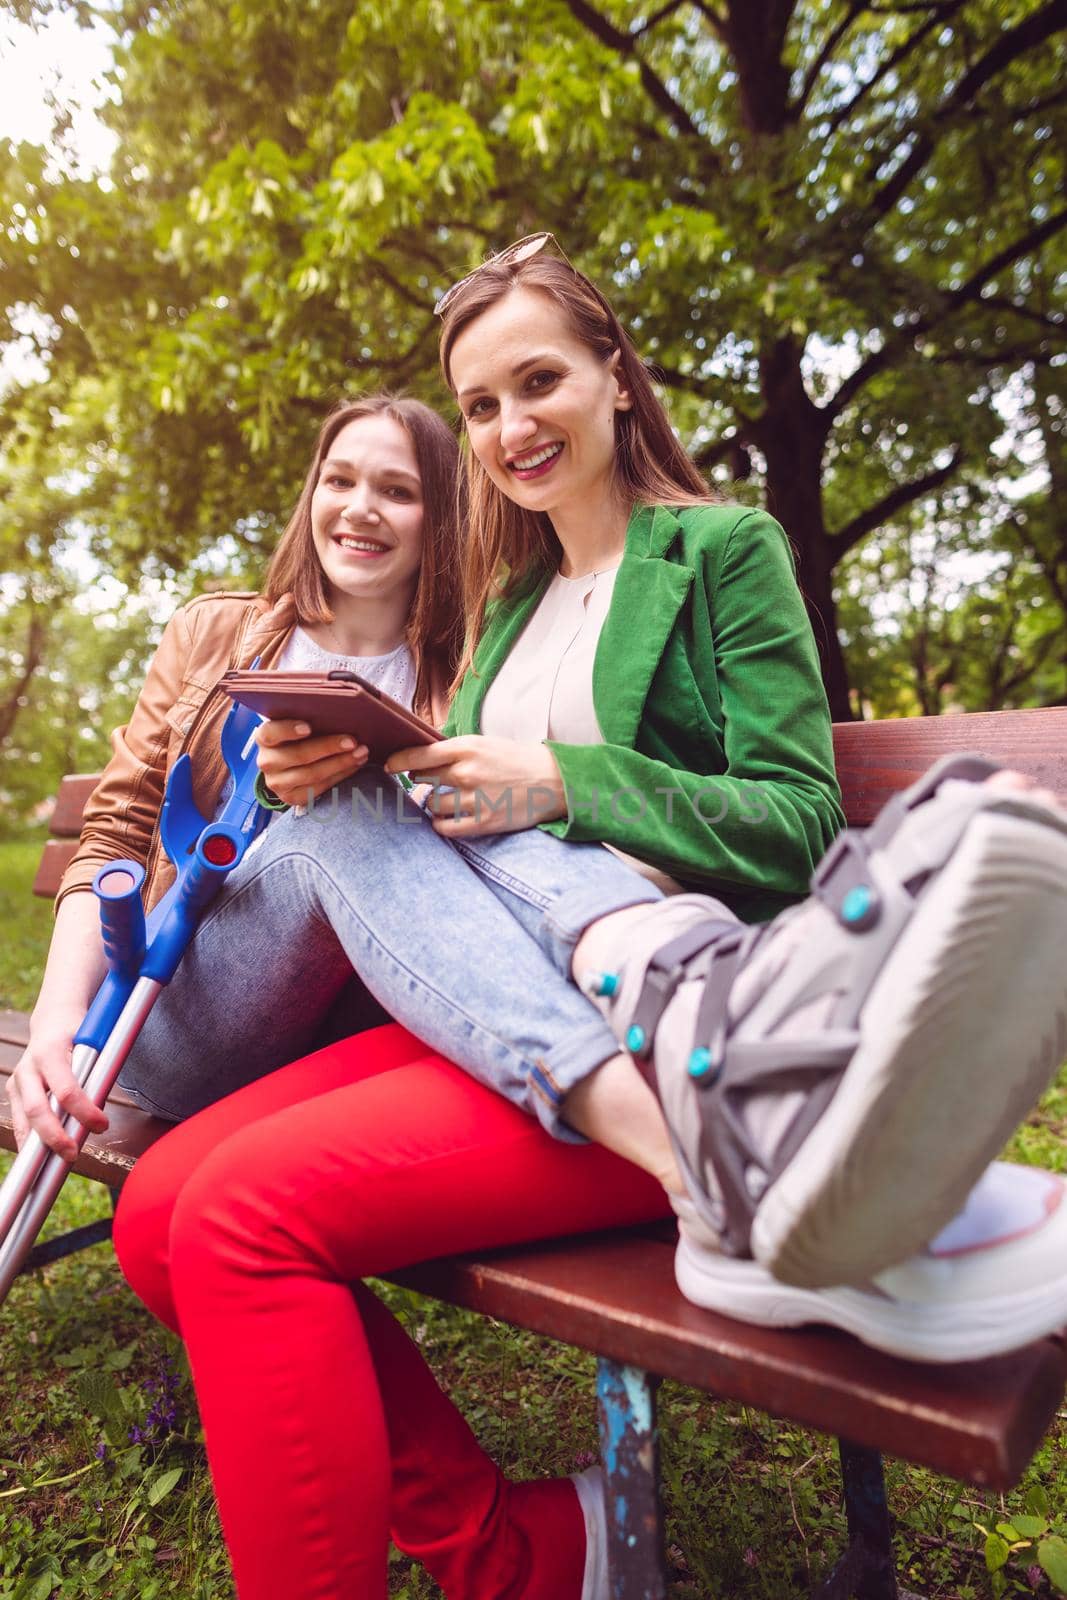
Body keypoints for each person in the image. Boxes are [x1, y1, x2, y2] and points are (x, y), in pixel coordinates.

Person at [16, 238, 1067, 1600]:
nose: (511, 427)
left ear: (614, 379)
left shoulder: (717, 551)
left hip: (645, 1031)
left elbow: (796, 818)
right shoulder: (494, 614)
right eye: (481, 403)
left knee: (230, 1226)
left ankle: (720, 1134)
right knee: (159, 1208)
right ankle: (531, 1550)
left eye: (538, 381)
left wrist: (561, 779)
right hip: (492, 1005)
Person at [9, 392, 465, 1149]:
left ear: (439, 517)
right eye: (339, 480)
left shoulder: (467, 673)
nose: (360, 509)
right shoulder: (214, 632)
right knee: (339, 815)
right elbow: (118, 830)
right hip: (184, 1010)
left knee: (357, 817)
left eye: (398, 491)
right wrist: (56, 1024)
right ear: (311, 492)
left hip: (368, 1041)